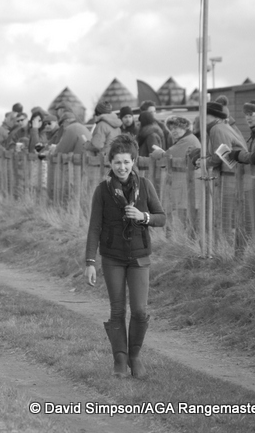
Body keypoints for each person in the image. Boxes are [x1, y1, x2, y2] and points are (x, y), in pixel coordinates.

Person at [84, 134, 165, 378]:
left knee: (139, 311)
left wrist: (144, 217)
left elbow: (161, 217)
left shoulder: (146, 186)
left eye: (126, 162)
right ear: (110, 163)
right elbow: (94, 227)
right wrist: (90, 262)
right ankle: (119, 358)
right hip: (112, 258)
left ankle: (135, 356)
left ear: (134, 162)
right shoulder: (103, 191)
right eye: (117, 162)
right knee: (117, 310)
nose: (122, 167)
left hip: (140, 257)